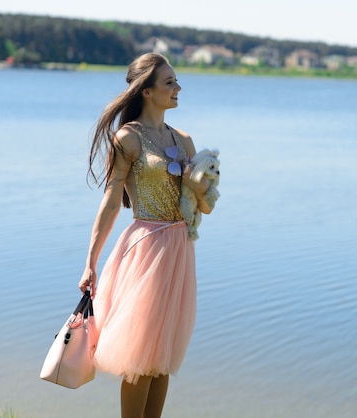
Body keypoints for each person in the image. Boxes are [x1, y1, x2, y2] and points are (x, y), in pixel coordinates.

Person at [78, 53, 214, 418]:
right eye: (169, 82)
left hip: (180, 248)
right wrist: (90, 262)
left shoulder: (184, 141)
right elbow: (110, 203)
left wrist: (199, 187)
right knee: (141, 355)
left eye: (175, 80)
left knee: (162, 358)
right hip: (146, 249)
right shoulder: (129, 138)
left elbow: (203, 208)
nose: (177, 88)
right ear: (147, 91)